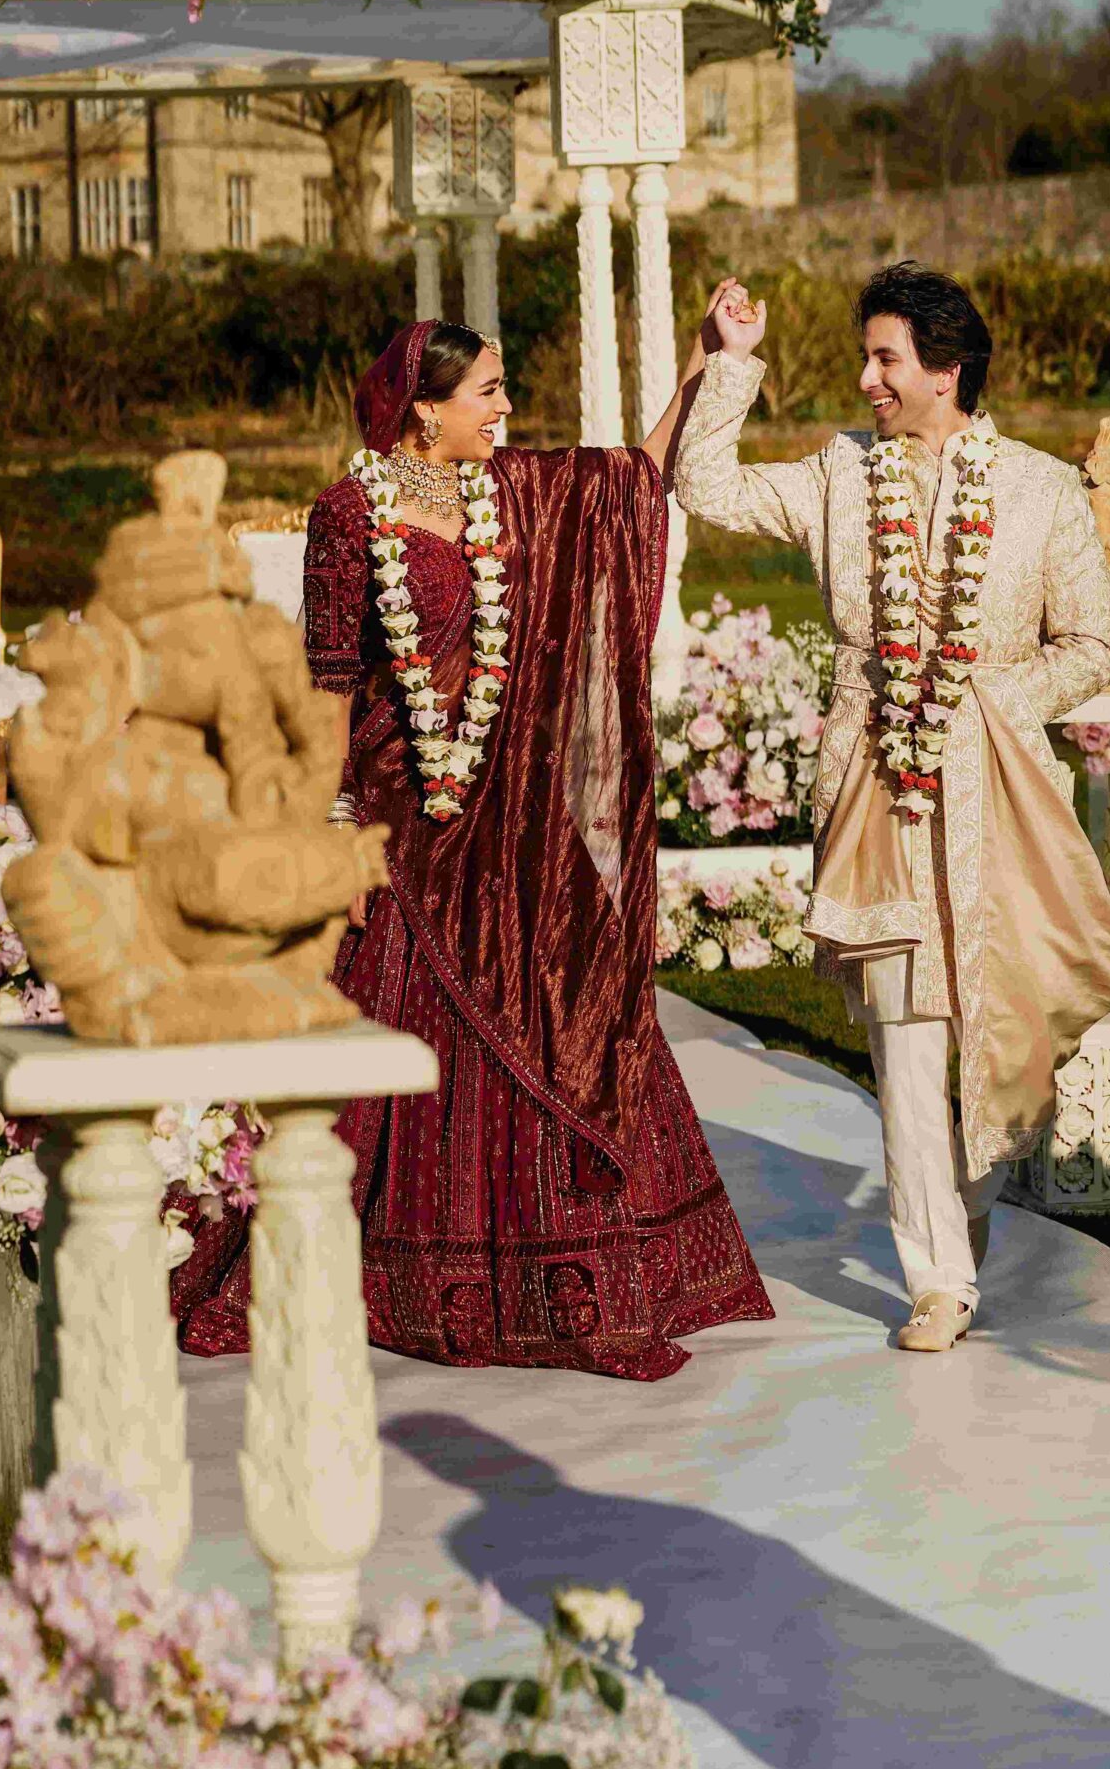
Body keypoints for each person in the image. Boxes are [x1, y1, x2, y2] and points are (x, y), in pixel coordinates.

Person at [177, 318, 771, 1380]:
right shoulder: (347, 514)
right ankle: (362, 1265)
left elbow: (630, 479)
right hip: (405, 816)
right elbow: (323, 685)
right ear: (423, 406)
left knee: (566, 1000)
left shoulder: (508, 491)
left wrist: (704, 361)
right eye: (487, 392)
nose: (504, 410)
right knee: (381, 1030)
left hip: (515, 816)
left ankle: (576, 1272)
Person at [671, 262, 1110, 1352]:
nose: (865, 377)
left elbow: (1086, 641)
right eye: (866, 356)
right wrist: (729, 359)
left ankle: (965, 1201)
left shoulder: (1035, 489)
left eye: (885, 357)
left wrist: (992, 701)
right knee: (902, 1032)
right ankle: (936, 1274)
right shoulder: (839, 474)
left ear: (945, 367)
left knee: (994, 1022)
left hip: (1001, 803)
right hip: (877, 787)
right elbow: (704, 488)